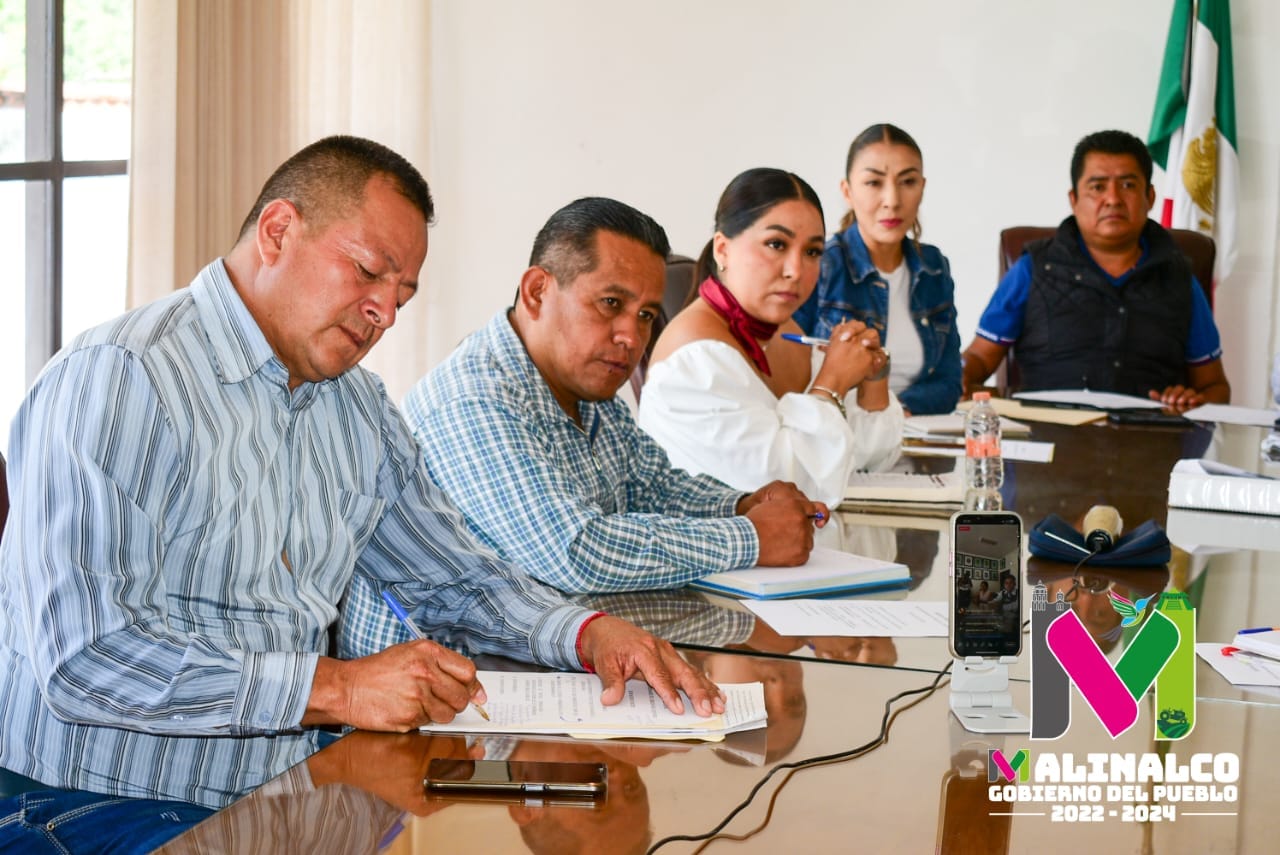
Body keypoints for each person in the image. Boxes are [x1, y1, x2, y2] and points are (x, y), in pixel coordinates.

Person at [0, 136, 721, 852]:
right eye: (367, 272)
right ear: (279, 231)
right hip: (96, 803)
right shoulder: (119, 379)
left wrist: (587, 632)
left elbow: (458, 579)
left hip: (292, 784)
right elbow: (83, 656)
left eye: (401, 294)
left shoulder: (356, 407)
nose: (384, 313)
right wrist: (336, 688)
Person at [388, 197, 825, 598]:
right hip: (464, 670)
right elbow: (575, 551)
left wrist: (740, 504)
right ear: (537, 291)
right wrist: (750, 537)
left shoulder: (587, 387)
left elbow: (653, 487)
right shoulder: (472, 400)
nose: (631, 336)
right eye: (610, 302)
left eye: (647, 315)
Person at [637, 168, 903, 508]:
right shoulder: (694, 360)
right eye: (776, 244)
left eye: (812, 252)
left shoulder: (787, 333)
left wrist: (873, 380)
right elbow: (778, 494)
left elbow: (865, 461)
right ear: (723, 250)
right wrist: (832, 382)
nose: (795, 270)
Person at [961, 129, 1230, 410]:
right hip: (1049, 439)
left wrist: (1192, 403)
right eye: (1098, 187)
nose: (1112, 199)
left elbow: (1215, 387)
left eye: (1127, 185)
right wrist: (961, 375)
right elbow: (979, 358)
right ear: (1074, 199)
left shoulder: (1179, 278)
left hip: (1152, 441)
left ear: (1150, 197)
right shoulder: (1033, 268)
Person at [794, 124, 962, 415]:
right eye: (874, 183)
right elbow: (792, 380)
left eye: (907, 182)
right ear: (847, 191)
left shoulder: (934, 268)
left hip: (917, 437)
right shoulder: (821, 265)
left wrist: (895, 412)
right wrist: (879, 416)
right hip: (839, 435)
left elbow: (949, 383)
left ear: (922, 188)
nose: (892, 201)